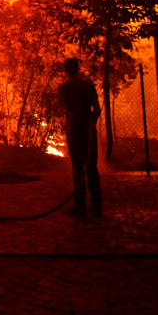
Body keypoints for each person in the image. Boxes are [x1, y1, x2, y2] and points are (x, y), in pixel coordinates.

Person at [58, 57, 102, 217]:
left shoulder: (63, 88)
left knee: (77, 167)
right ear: (78, 68)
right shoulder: (88, 86)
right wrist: (90, 121)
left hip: (73, 131)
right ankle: (97, 205)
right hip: (89, 131)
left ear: (66, 70)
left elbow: (64, 108)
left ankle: (80, 206)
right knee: (91, 167)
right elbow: (96, 109)